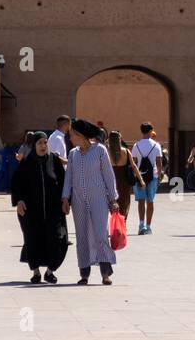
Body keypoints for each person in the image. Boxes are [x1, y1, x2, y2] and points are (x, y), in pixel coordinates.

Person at [60, 118, 119, 285]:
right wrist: (66, 197)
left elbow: (109, 175)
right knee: (82, 236)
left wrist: (113, 199)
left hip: (99, 199)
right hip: (78, 200)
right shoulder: (73, 154)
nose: (70, 138)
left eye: (72, 135)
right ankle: (84, 273)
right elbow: (69, 177)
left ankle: (105, 272)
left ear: (80, 135)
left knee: (100, 234)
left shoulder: (100, 151)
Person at [10, 131, 69, 284]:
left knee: (58, 239)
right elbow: (17, 184)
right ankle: (36, 272)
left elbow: (64, 182)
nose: (43, 146)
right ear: (34, 145)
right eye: (40, 143)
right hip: (31, 212)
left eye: (45, 143)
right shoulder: (27, 162)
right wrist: (19, 201)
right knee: (32, 240)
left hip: (54, 210)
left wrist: (66, 200)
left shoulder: (54, 161)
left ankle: (50, 271)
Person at [131, 123, 163, 235]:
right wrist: (159, 176)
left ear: (141, 131)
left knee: (141, 201)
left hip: (140, 177)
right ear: (151, 131)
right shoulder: (156, 145)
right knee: (150, 201)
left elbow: (134, 163)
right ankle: (149, 226)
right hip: (152, 176)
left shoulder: (136, 145)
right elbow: (159, 163)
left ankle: (141, 225)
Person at [108, 130, 141, 219]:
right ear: (120, 139)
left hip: (111, 182)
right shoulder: (126, 151)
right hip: (124, 183)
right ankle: (123, 224)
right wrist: (141, 180)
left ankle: (115, 225)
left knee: (112, 204)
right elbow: (134, 166)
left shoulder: (106, 152)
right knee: (124, 204)